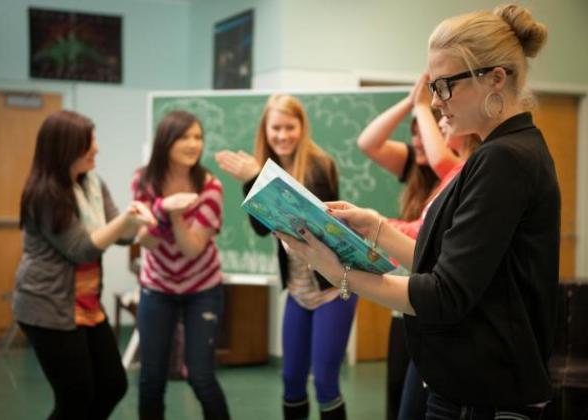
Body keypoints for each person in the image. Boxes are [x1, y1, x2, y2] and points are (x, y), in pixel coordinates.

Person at [277, 5, 558, 419]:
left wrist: (341, 276)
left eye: (445, 85)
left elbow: (444, 295)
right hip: (469, 388)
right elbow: (450, 265)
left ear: (495, 79)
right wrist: (375, 227)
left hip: (485, 397)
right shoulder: (501, 153)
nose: (435, 101)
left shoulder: (505, 160)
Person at [215, 94, 356, 420]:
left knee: (324, 382)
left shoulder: (321, 165)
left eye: (290, 127)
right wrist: (254, 181)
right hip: (298, 289)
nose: (282, 135)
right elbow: (262, 228)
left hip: (333, 287)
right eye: (275, 128)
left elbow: (308, 223)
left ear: (301, 127)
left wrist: (257, 180)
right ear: (265, 130)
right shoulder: (262, 170)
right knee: (291, 380)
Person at [13, 110, 156, 419]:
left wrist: (147, 218)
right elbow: (81, 249)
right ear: (65, 148)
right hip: (47, 306)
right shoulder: (44, 194)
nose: (97, 150)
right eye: (88, 144)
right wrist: (125, 221)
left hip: (85, 303)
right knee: (75, 395)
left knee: (112, 385)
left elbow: (118, 236)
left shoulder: (92, 184)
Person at [358, 74, 480, 420]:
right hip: (418, 299)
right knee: (403, 398)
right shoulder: (443, 173)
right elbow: (417, 234)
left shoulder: (462, 170)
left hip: (435, 306)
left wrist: (422, 105)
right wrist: (370, 223)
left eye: (444, 116)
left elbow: (420, 237)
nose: (439, 122)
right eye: (432, 119)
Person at [132, 110, 230, 420]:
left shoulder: (211, 187)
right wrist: (164, 205)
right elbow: (145, 240)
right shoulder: (144, 180)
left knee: (201, 376)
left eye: (198, 137)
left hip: (203, 287)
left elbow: (190, 249)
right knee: (151, 378)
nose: (193, 144)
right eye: (184, 137)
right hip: (157, 286)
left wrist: (172, 213)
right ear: (166, 141)